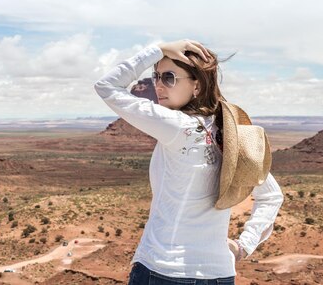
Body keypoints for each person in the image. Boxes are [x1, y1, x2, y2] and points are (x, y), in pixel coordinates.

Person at [94, 39, 284, 285]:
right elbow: (271, 195)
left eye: (169, 77)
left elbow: (107, 86)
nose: (159, 86)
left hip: (162, 271)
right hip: (219, 275)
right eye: (156, 76)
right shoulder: (232, 134)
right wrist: (243, 246)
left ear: (197, 85)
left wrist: (159, 49)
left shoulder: (176, 125)